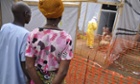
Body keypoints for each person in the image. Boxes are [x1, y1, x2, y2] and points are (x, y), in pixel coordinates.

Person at [25, 0, 73, 84]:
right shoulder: (66, 38)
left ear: (45, 15)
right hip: (57, 80)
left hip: (36, 79)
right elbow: (63, 72)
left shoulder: (33, 35)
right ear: (60, 15)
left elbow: (29, 66)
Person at [0, 1, 31, 84]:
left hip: (3, 78)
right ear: (26, 13)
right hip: (17, 80)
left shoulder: (4, 28)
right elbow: (25, 64)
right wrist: (31, 79)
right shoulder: (26, 34)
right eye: (30, 14)